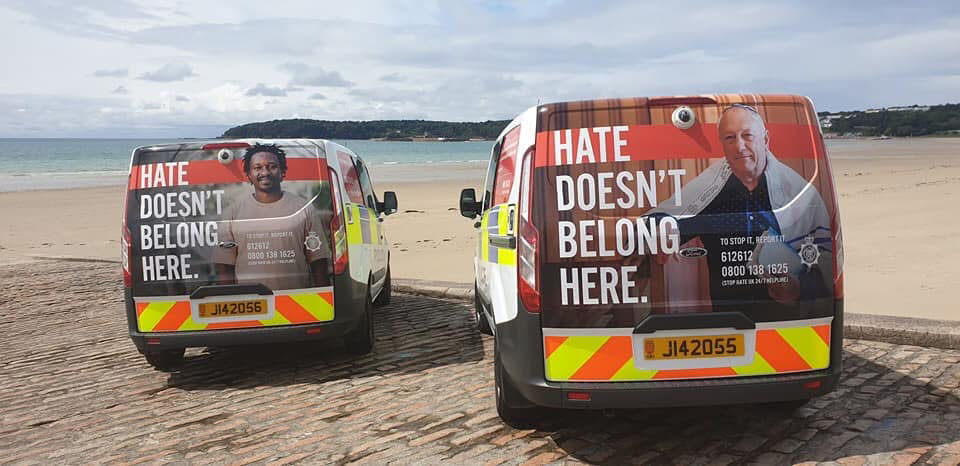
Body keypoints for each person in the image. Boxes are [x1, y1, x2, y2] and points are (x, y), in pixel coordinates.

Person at [652, 104, 832, 312]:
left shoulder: (800, 194)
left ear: (765, 140)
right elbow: (666, 220)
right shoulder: (708, 191)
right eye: (730, 138)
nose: (739, 146)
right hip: (726, 318)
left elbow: (826, 265)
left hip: (786, 321)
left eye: (747, 136)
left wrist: (798, 288)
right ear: (722, 145)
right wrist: (662, 230)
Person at [212, 143, 331, 290]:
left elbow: (318, 263)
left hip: (297, 298)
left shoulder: (304, 208)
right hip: (248, 300)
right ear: (249, 175)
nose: (265, 172)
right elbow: (225, 268)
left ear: (282, 172)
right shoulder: (233, 212)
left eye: (272, 166)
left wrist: (323, 297)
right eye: (257, 168)